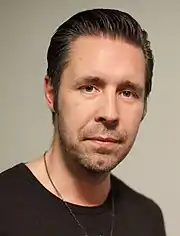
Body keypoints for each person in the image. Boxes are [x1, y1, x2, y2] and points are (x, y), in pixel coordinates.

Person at [0, 8, 166, 236]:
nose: (110, 113)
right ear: (51, 93)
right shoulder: (5, 208)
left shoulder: (147, 219)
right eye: (89, 88)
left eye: (127, 92)